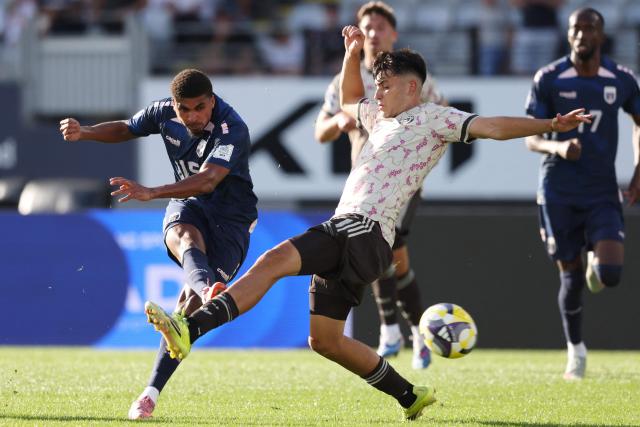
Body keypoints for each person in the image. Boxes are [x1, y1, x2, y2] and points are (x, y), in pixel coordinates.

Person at [143, 26, 590, 421]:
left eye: (387, 85)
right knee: (326, 340)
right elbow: (350, 99)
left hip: (365, 227)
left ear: (413, 87)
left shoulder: (433, 118)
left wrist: (552, 122)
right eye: (377, 85)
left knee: (275, 260)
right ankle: (410, 395)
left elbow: (492, 127)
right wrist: (352, 53)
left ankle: (191, 328)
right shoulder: (380, 115)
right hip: (358, 236)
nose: (378, 93)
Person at [59, 68, 258, 419]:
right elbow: (127, 127)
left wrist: (151, 192)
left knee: (183, 317)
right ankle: (148, 396)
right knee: (182, 235)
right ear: (175, 105)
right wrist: (86, 131)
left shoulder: (232, 128)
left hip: (232, 220)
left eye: (200, 107)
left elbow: (209, 180)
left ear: (211, 102)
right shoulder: (163, 111)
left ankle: (154, 385)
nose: (193, 116)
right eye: (185, 109)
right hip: (191, 206)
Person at [314, 0, 445, 370]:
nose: (372, 34)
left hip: (402, 185)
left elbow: (444, 119)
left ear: (393, 33)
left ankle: (393, 330)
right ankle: (417, 332)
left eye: (379, 27)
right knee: (394, 258)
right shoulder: (345, 81)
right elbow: (319, 132)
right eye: (366, 27)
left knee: (390, 248)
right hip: (365, 184)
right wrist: (337, 124)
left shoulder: (414, 80)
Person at [524, 8, 640, 380]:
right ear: (568, 33)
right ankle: (576, 351)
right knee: (570, 278)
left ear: (601, 35)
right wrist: (560, 147)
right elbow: (531, 137)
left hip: (602, 188)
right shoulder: (550, 77)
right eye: (576, 28)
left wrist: (639, 167)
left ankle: (597, 264)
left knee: (611, 273)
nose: (581, 34)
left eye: (589, 28)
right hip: (558, 189)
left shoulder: (621, 78)